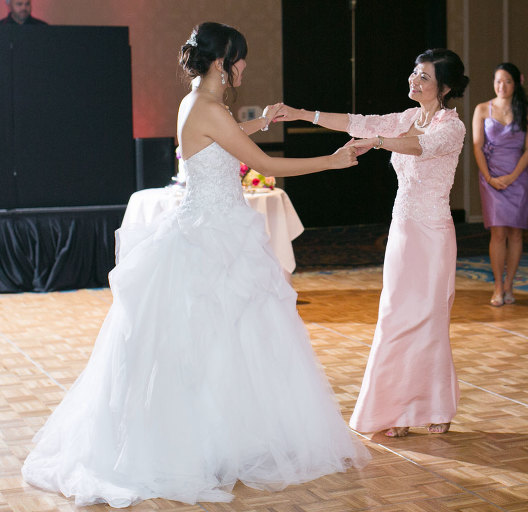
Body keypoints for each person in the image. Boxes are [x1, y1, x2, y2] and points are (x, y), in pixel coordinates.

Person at [21, 22, 369, 508]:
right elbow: (266, 167)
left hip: (209, 232)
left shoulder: (196, 103)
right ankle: (208, 446)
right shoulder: (210, 108)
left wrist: (259, 123)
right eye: (241, 59)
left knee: (219, 346)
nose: (245, 67)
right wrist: (330, 163)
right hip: (215, 240)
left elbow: (220, 141)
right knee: (218, 344)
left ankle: (224, 441)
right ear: (223, 63)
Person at [276, 49, 469, 438]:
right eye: (414, 73)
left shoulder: (453, 127)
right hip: (403, 231)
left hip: (433, 234)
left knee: (429, 319)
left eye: (425, 77)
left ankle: (435, 405)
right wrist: (302, 114)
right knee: (395, 316)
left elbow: (420, 147)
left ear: (444, 87)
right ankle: (393, 409)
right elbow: (356, 122)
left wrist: (380, 141)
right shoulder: (407, 117)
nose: (414, 81)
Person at [472, 63, 528, 306]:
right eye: (498, 81)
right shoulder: (481, 109)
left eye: (507, 81)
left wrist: (513, 176)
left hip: (518, 175)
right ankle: (498, 286)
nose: (502, 86)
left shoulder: (527, 110)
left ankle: (510, 285)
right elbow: (477, 146)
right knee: (498, 232)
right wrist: (488, 177)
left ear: (517, 83)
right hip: (491, 176)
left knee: (516, 232)